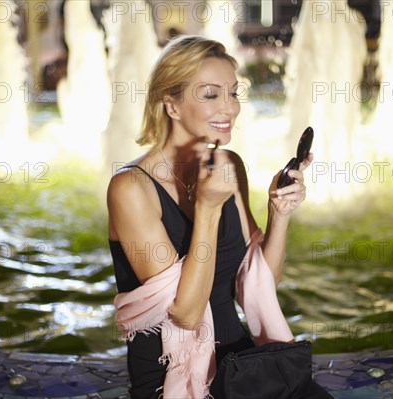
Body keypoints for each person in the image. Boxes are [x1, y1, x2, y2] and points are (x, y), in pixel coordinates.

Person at [107, 36, 332, 399]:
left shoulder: (228, 165)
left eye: (233, 93)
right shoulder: (131, 187)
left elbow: (259, 283)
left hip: (238, 358)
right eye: (211, 95)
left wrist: (279, 213)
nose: (229, 109)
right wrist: (208, 211)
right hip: (171, 373)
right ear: (172, 105)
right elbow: (185, 315)